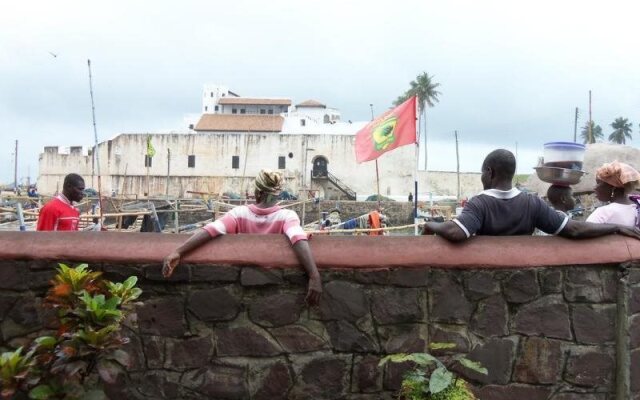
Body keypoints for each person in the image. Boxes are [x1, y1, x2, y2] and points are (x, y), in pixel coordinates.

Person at [163, 169, 322, 305]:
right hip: (275, 285)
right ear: (278, 194)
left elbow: (211, 229)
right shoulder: (288, 216)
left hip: (243, 284)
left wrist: (178, 251)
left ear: (257, 192)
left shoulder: (239, 213)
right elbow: (297, 238)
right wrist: (314, 276)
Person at [421, 149, 640, 241]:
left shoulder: (480, 204)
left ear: (490, 172)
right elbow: (574, 229)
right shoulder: (531, 203)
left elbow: (455, 233)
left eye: (482, 172)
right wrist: (617, 227)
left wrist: (433, 225)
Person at [586, 161, 640, 227]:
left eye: (598, 183)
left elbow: (583, 235)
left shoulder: (604, 213)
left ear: (613, 187)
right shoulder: (636, 205)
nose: (594, 188)